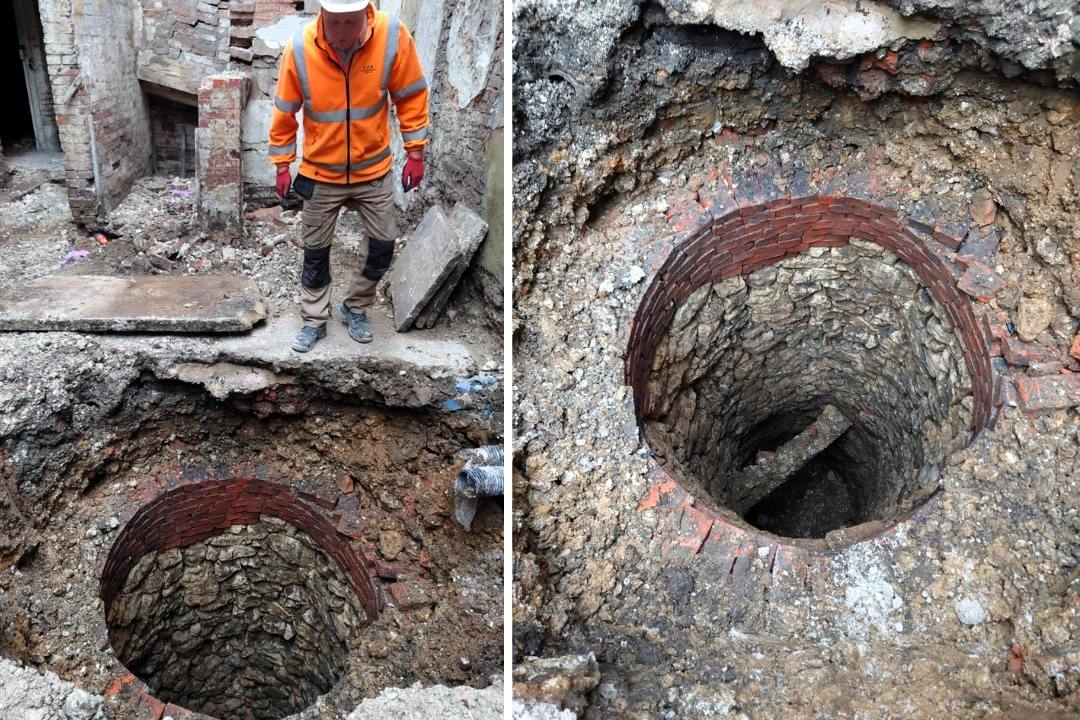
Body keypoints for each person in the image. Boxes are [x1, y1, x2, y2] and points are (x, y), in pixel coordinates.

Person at [268, 0, 430, 352]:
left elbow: (411, 95)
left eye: (350, 23)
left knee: (383, 247)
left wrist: (415, 151)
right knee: (315, 253)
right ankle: (314, 320)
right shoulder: (300, 48)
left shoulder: (391, 36)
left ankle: (355, 307)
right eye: (334, 22)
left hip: (373, 170)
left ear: (366, 14)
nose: (341, 33)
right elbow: (284, 111)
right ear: (321, 14)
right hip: (320, 173)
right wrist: (282, 164)